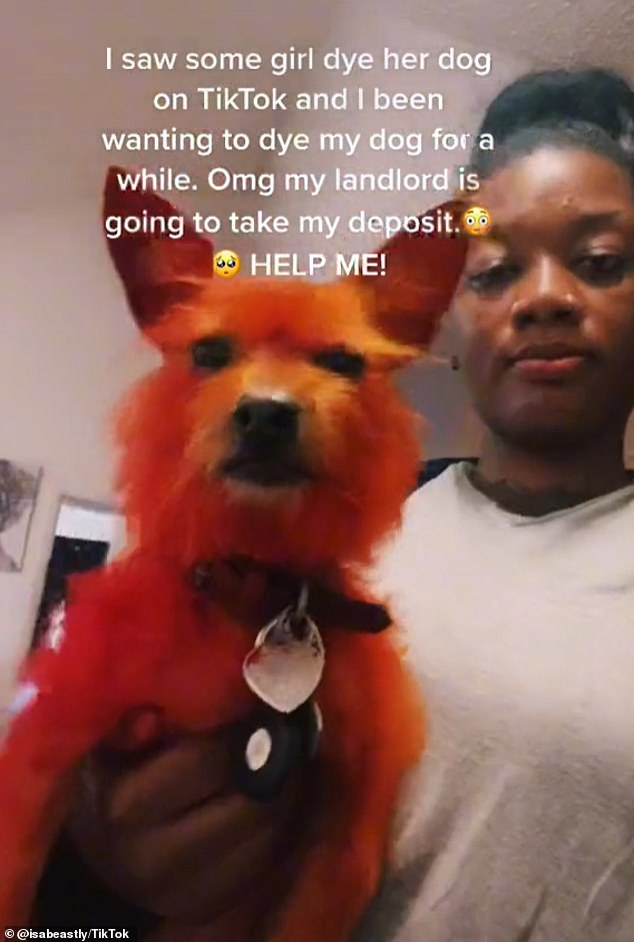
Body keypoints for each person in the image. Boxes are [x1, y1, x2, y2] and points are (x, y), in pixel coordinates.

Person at [34, 67, 634, 939]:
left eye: (603, 260)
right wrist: (95, 860)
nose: (543, 299)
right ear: (446, 315)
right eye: (496, 268)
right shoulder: (296, 534)